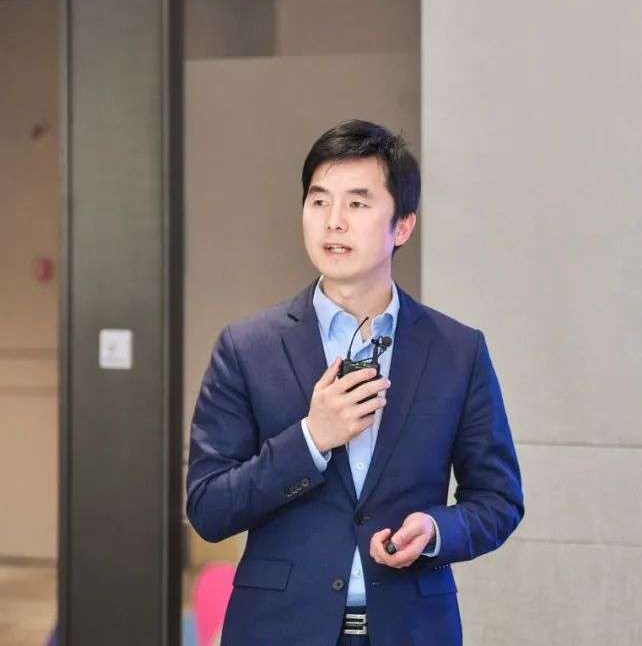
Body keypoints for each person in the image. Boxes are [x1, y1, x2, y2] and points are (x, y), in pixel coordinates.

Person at [185, 120, 525, 646]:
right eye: (319, 201)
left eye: (358, 203)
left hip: (411, 630)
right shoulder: (247, 347)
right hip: (279, 630)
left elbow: (499, 499)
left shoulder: (457, 351)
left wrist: (437, 531)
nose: (333, 222)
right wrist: (311, 440)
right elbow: (208, 507)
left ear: (402, 226)